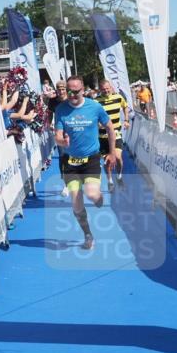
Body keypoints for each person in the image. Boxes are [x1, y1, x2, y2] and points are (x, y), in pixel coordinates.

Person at [53, 76, 118, 250]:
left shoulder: (95, 107)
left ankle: (99, 197)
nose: (73, 95)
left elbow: (111, 128)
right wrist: (62, 141)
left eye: (76, 91)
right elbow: (57, 135)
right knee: (76, 201)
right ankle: (88, 235)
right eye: (70, 91)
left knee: (92, 195)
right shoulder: (61, 109)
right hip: (71, 161)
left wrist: (111, 153)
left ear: (83, 90)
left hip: (91, 158)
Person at [96, 79, 129, 191]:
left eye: (107, 88)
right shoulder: (96, 101)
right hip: (103, 136)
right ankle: (110, 180)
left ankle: (119, 176)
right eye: (103, 89)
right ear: (100, 90)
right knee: (108, 160)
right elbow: (92, 116)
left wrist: (126, 120)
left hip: (116, 133)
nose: (106, 91)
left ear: (111, 87)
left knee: (118, 157)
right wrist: (97, 124)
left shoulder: (118, 97)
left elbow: (125, 106)